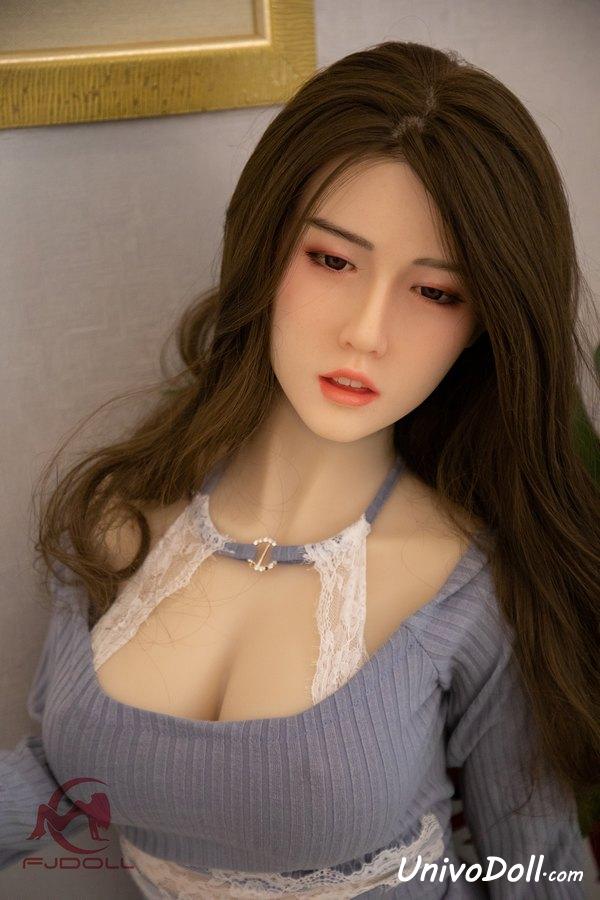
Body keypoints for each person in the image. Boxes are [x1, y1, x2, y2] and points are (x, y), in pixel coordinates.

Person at [1, 40, 598, 898]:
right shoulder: (119, 520)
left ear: (484, 325)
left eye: (435, 292)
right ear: (265, 246)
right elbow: (67, 775)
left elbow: (540, 866)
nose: (366, 332)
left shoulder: (464, 589)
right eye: (331, 260)